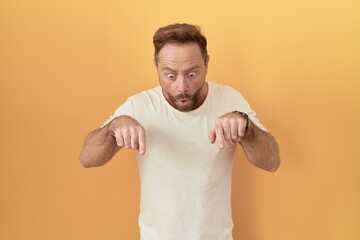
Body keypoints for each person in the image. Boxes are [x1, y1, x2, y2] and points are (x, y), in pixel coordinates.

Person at [80, 23, 280, 240]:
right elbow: (87, 158)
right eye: (171, 76)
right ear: (156, 66)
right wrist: (113, 128)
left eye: (192, 73)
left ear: (207, 63)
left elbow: (272, 161)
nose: (182, 87)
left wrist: (246, 128)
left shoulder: (229, 100)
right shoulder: (139, 106)